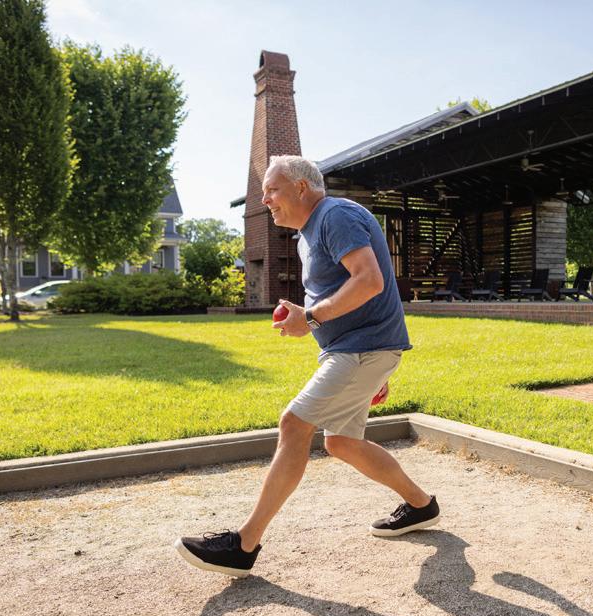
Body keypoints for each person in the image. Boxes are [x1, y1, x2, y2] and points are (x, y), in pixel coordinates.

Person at [175, 155, 439, 577]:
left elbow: (370, 280)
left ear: (301, 187)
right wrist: (314, 320)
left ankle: (243, 545)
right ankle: (421, 505)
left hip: (362, 350)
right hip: (360, 352)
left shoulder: (335, 215)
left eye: (272, 190)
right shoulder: (308, 234)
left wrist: (312, 319)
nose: (265, 200)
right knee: (342, 443)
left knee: (294, 424)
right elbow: (357, 291)